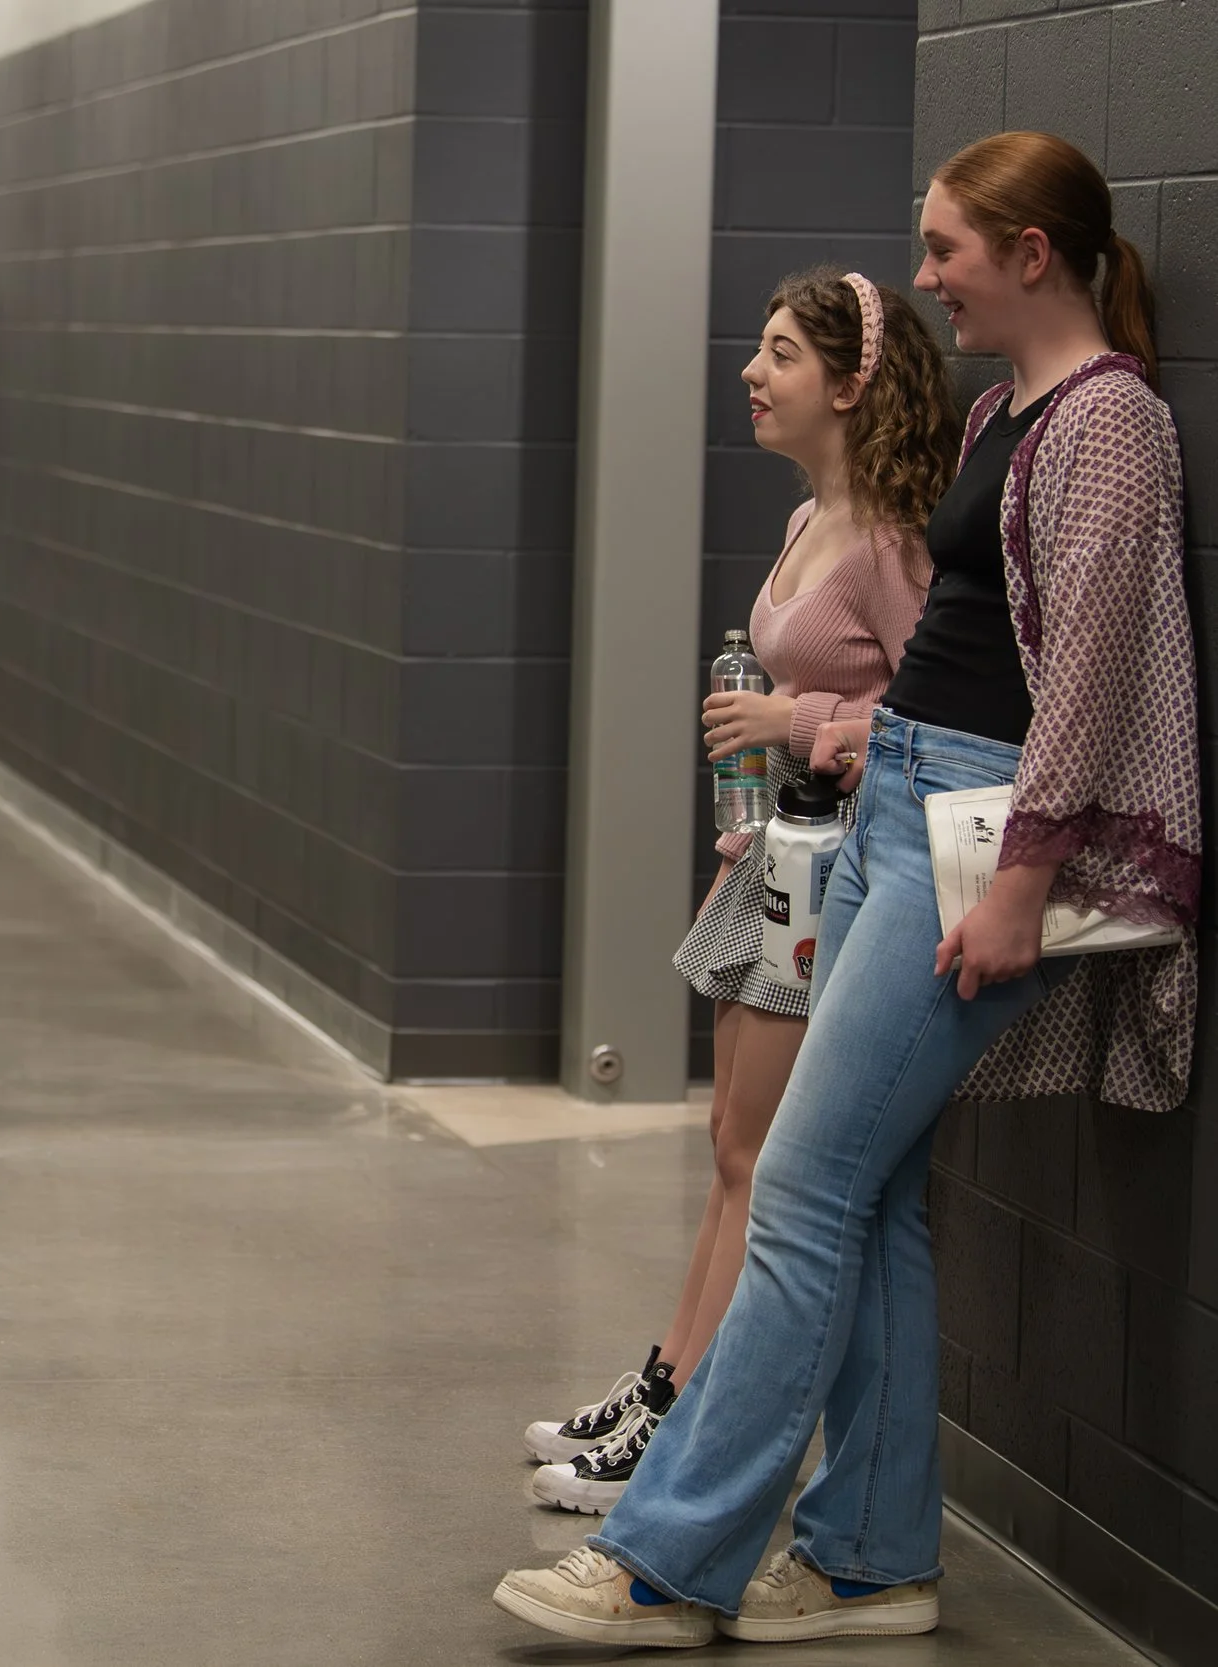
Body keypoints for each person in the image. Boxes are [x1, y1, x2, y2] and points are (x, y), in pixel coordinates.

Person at [495, 129, 1198, 1647]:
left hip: (974, 838)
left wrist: (1018, 882)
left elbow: (1085, 664)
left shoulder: (1110, 423)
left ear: (1031, 254)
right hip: (902, 802)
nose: (928, 275)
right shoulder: (1017, 407)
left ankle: (666, 1555)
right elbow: (974, 630)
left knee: (804, 1185)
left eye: (947, 248)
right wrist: (871, 736)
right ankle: (875, 1554)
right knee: (867, 1201)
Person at [524, 270, 950, 1515]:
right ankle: (669, 1377)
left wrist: (794, 715)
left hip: (842, 880)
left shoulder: (886, 541)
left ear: (850, 382)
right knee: (729, 1146)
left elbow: (938, 717)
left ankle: (689, 1427)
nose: (752, 375)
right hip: (772, 859)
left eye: (778, 356)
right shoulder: (806, 520)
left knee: (760, 1157)